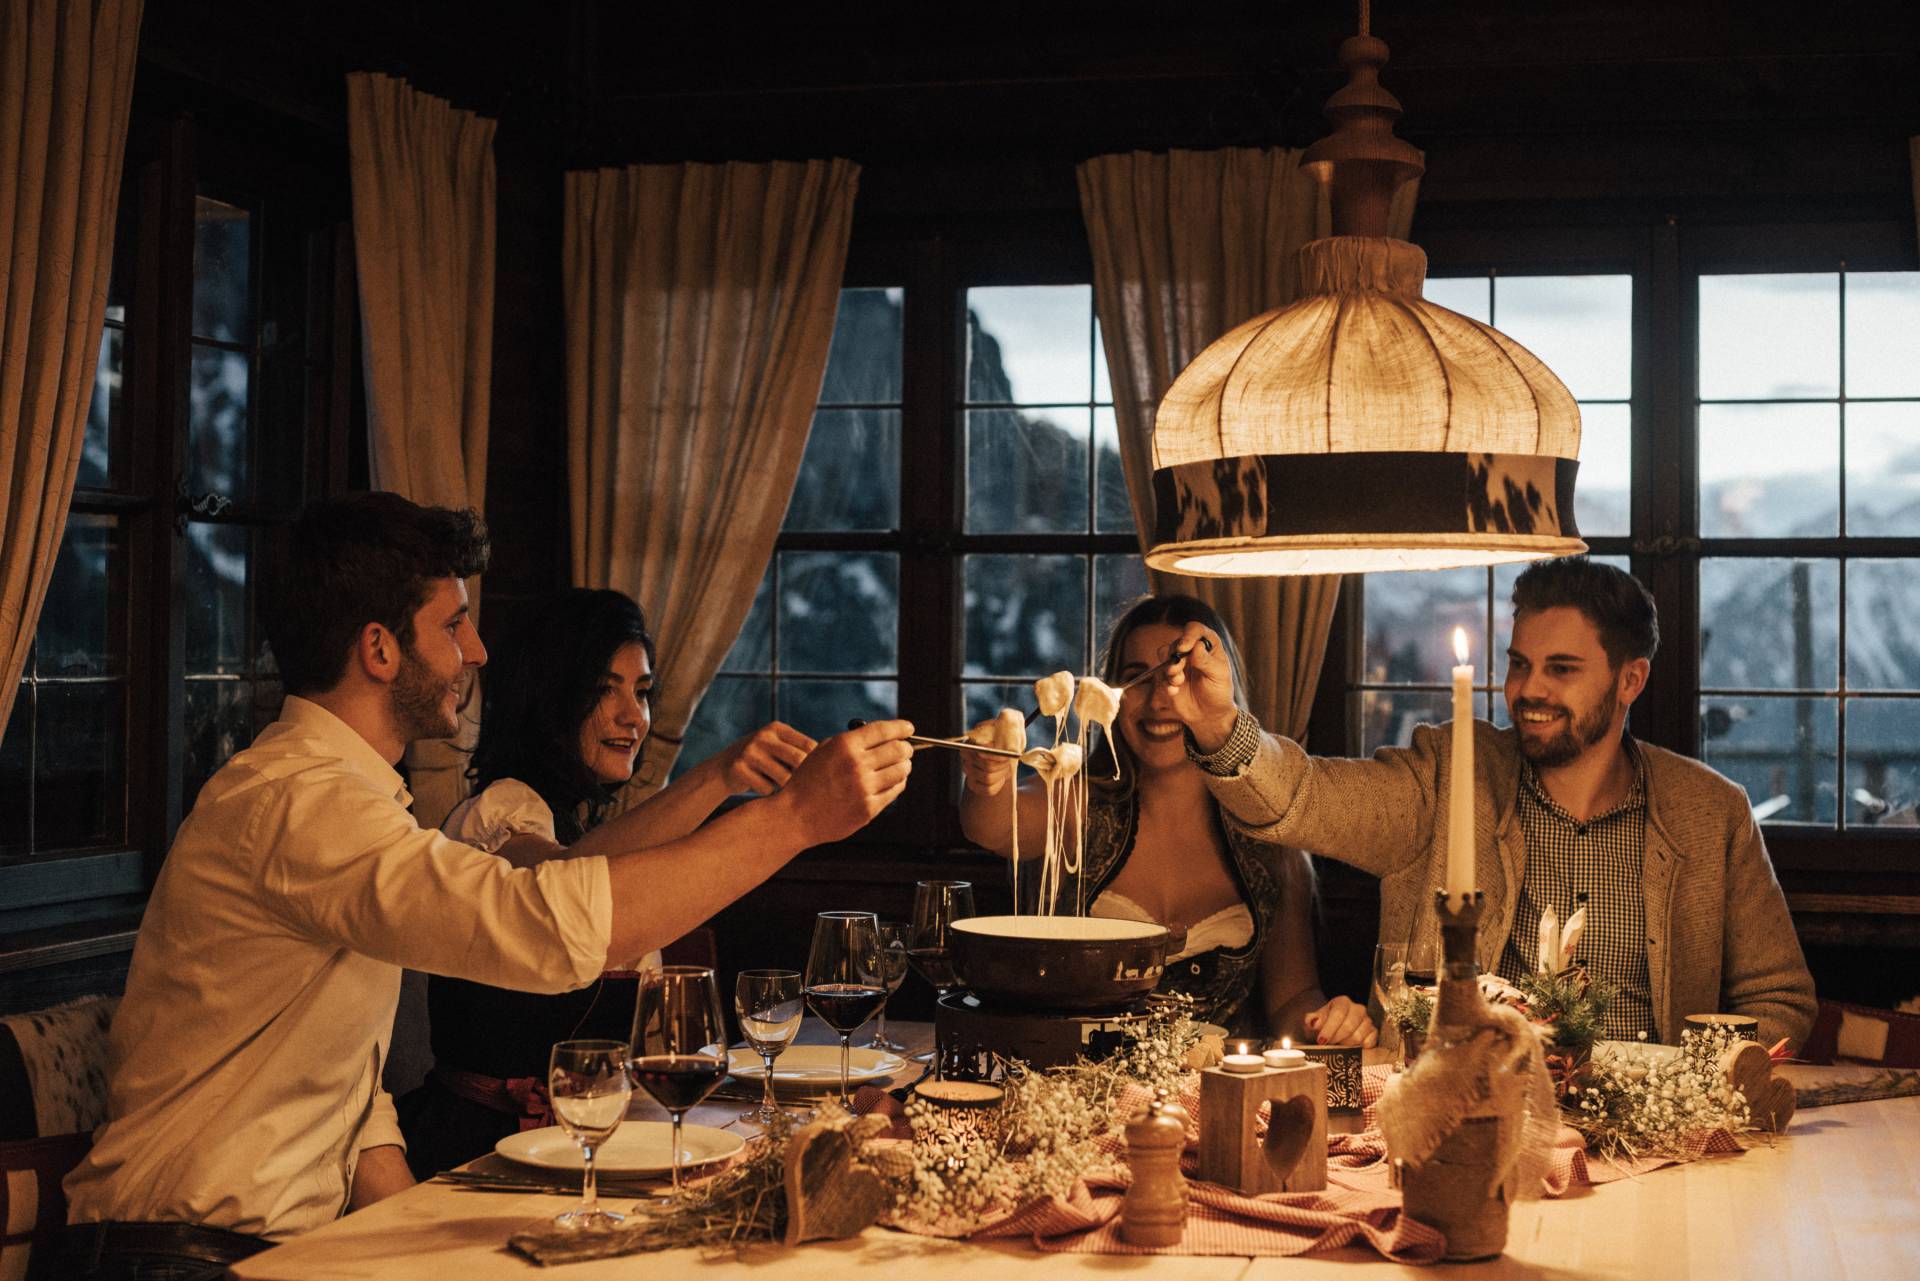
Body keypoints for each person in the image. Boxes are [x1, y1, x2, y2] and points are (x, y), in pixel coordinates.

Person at [56, 493, 913, 1277]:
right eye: (454, 624)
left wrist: (430, 1239)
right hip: (172, 1256)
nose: (477, 650)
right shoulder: (298, 801)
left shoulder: (348, 799)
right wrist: (794, 817)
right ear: (381, 648)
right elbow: (541, 925)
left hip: (272, 1247)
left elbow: (348, 1102)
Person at [1140, 557, 1815, 1048]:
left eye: (1562, 668)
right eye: (1519, 662)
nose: (1528, 688)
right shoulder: (1445, 778)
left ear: (1630, 678)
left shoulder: (1711, 813)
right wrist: (1226, 729)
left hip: (1656, 1146)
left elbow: (1781, 998)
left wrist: (1692, 1080)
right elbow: (1309, 797)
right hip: (1462, 1119)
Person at [397, 587, 814, 1177]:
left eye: (641, 692)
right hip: (481, 1156)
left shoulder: (585, 825)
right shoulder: (498, 811)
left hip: (578, 1145)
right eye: (603, 691)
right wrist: (720, 777)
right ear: (549, 697)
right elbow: (567, 890)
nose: (633, 717)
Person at [959, 594, 1376, 1045]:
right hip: (1074, 1096)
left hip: (1215, 1100)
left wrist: (1331, 1026)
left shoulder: (1267, 828)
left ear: (1220, 691)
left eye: (1181, 676)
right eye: (1137, 679)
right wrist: (988, 779)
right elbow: (994, 826)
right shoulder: (1079, 798)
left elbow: (1292, 999)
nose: (1159, 701)